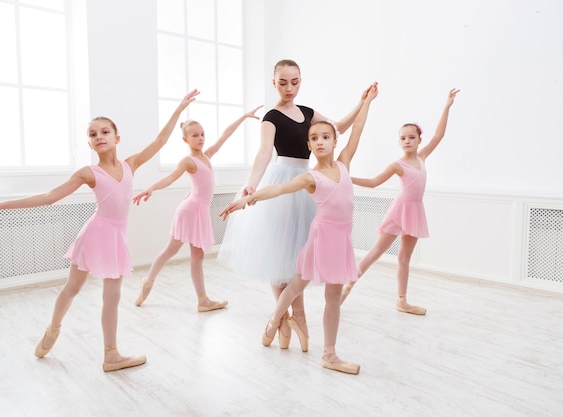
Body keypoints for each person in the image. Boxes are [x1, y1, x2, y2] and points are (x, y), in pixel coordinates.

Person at [0, 89, 200, 372]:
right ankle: (53, 328)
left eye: (104, 132)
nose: (98, 136)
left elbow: (160, 140)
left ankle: (111, 354)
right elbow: (49, 197)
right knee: (72, 288)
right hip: (95, 234)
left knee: (112, 296)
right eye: (92, 134)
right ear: (89, 142)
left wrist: (179, 108)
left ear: (116, 137)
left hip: (114, 237)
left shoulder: (131, 164)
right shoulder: (88, 173)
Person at [217, 59, 376, 352]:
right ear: (273, 83)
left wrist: (362, 102)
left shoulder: (308, 113)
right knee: (279, 254)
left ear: (301, 81)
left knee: (298, 256)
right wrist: (253, 183)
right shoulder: (271, 117)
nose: (289, 88)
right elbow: (265, 152)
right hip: (283, 178)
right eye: (283, 82)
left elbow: (338, 128)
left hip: (311, 180)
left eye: (294, 82)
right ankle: (289, 319)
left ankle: (290, 320)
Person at [341, 88, 461, 315]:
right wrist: (349, 178)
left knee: (404, 257)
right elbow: (375, 181)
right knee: (376, 251)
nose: (407, 141)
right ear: (399, 142)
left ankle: (402, 300)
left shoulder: (422, 156)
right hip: (400, 211)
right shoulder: (398, 164)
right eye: (403, 138)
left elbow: (439, 135)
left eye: (411, 137)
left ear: (418, 140)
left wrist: (446, 106)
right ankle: (348, 284)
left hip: (415, 212)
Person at [133, 105, 263, 311]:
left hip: (198, 210)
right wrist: (151, 188)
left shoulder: (207, 156)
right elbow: (170, 177)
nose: (200, 138)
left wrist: (244, 117)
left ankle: (202, 300)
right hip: (190, 210)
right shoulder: (188, 160)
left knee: (196, 256)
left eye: (202, 134)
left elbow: (225, 135)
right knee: (171, 251)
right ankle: (149, 282)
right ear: (186, 139)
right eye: (195, 135)